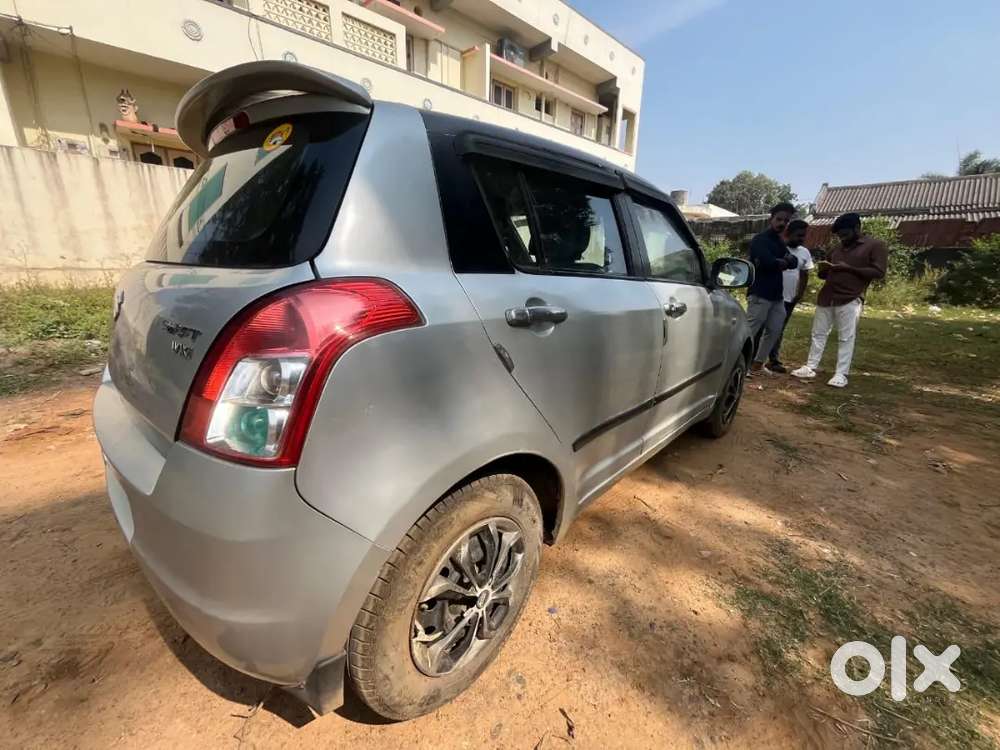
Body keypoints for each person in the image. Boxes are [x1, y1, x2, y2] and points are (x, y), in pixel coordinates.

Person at [791, 213, 887, 388]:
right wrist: (824, 270)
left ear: (857, 229)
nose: (842, 238)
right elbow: (824, 271)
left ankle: (841, 374)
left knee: (846, 337)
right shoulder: (836, 249)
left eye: (845, 234)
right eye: (839, 236)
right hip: (827, 295)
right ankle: (811, 366)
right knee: (818, 333)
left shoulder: (875, 246)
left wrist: (850, 269)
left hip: (851, 296)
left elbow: (879, 272)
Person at [746, 202, 798, 375]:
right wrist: (782, 262)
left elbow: (794, 261)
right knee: (750, 332)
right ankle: (739, 364)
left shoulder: (779, 242)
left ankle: (757, 364)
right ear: (771, 219)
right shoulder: (760, 240)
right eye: (779, 219)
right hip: (760, 293)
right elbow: (768, 263)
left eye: (786, 221)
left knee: (775, 330)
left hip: (776, 296)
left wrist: (782, 262)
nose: (782, 223)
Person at [757, 219, 814, 373]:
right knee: (760, 327)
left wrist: (799, 294)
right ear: (788, 234)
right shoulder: (777, 247)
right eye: (798, 235)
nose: (801, 239)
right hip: (769, 294)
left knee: (777, 329)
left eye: (803, 236)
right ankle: (753, 359)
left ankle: (773, 360)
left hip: (788, 298)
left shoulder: (804, 252)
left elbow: (804, 274)